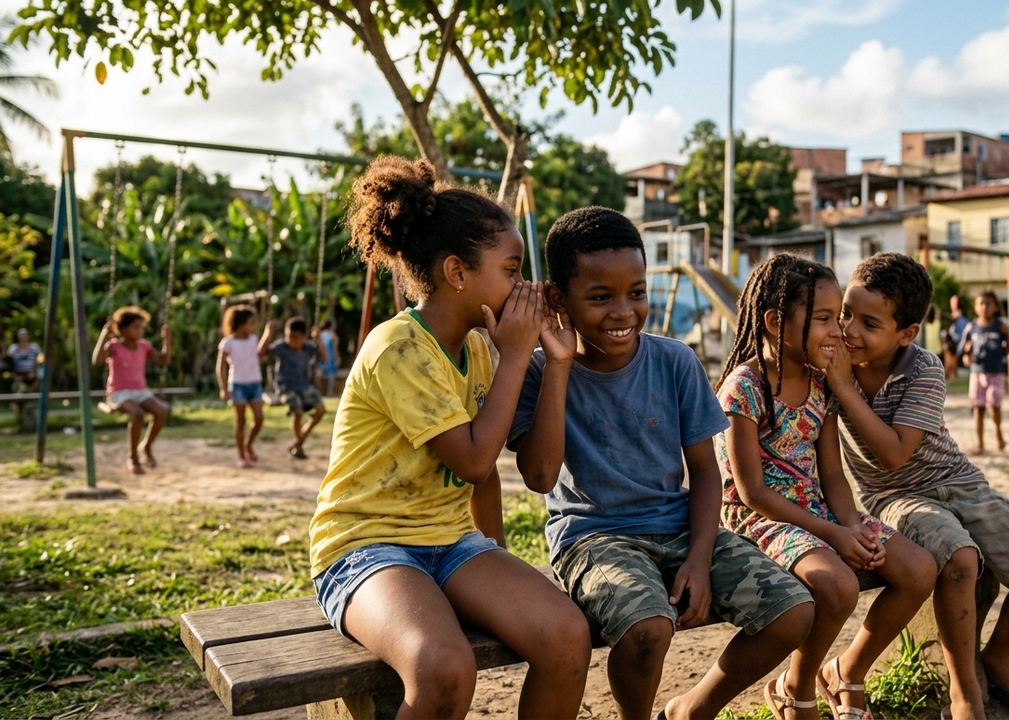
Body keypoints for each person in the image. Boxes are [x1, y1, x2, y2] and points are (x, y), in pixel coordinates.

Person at [308, 156, 590, 719]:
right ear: (458, 272)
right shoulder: (399, 348)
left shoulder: (482, 349)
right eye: (512, 270)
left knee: (566, 636)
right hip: (365, 547)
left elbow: (532, 476)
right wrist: (516, 354)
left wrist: (555, 366)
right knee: (444, 669)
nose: (526, 287)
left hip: (450, 544)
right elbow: (472, 463)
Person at [509, 207, 814, 720]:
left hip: (678, 528)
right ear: (558, 299)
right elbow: (539, 477)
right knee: (649, 628)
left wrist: (698, 557)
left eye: (637, 292)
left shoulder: (674, 361)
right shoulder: (539, 372)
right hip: (593, 537)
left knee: (793, 611)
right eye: (600, 297)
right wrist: (559, 365)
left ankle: (695, 707)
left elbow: (705, 472)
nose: (623, 311)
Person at [834, 253, 1009, 720]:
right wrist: (839, 381)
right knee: (960, 560)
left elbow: (896, 449)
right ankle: (965, 694)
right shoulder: (832, 367)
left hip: (959, 481)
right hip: (892, 496)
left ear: (907, 333)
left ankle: (997, 660)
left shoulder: (924, 369)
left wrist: (844, 388)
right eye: (845, 313)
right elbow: (890, 471)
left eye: (869, 323)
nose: (849, 330)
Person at [715, 253, 936, 720]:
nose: (839, 331)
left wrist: (853, 524)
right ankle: (797, 689)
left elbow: (832, 474)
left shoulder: (822, 383)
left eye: (838, 318)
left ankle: (845, 672)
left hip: (815, 508)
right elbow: (752, 492)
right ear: (776, 321)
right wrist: (834, 534)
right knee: (837, 585)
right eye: (823, 319)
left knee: (918, 570)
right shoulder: (744, 388)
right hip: (760, 518)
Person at [92, 306, 172, 475]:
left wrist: (167, 341)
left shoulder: (144, 346)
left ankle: (146, 447)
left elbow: (163, 360)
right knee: (138, 413)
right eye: (136, 327)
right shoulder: (114, 346)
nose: (140, 331)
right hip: (119, 393)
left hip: (140, 391)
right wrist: (103, 336)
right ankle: (133, 457)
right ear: (123, 329)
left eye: (141, 327)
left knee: (162, 411)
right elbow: (97, 361)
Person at [262, 316, 328, 459]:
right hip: (285, 387)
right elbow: (260, 355)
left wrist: (319, 339)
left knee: (321, 410)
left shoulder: (309, 347)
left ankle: (298, 442)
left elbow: (324, 358)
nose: (291, 340)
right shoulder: (281, 347)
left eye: (296, 338)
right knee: (298, 412)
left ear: (304, 337)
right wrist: (268, 334)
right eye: (288, 337)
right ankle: (299, 445)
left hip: (304, 386)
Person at [216, 304, 267, 469]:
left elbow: (259, 356)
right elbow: (221, 366)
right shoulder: (228, 343)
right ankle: (241, 456)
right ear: (240, 323)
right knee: (241, 421)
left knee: (259, 419)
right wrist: (223, 388)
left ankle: (249, 444)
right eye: (251, 322)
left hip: (255, 383)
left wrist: (269, 335)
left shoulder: (253, 339)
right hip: (237, 384)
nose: (254, 326)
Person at [960, 290, 1008, 455]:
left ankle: (998, 432)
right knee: (978, 408)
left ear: (995, 307)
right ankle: (980, 443)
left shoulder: (1001, 326)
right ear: (975, 307)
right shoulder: (972, 327)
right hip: (977, 374)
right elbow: (964, 350)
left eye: (988, 304)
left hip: (995, 373)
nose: (984, 307)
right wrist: (966, 357)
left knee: (994, 407)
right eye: (981, 303)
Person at [943, 296, 969, 381]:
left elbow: (963, 336)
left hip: (956, 346)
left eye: (955, 302)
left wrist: (959, 350)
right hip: (952, 345)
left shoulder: (961, 319)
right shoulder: (953, 317)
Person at [316, 320, 340, 396]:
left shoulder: (320, 335)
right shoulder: (333, 336)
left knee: (318, 375)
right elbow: (335, 349)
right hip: (330, 358)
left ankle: (319, 392)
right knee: (331, 376)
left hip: (321, 357)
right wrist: (337, 358)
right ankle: (329, 392)